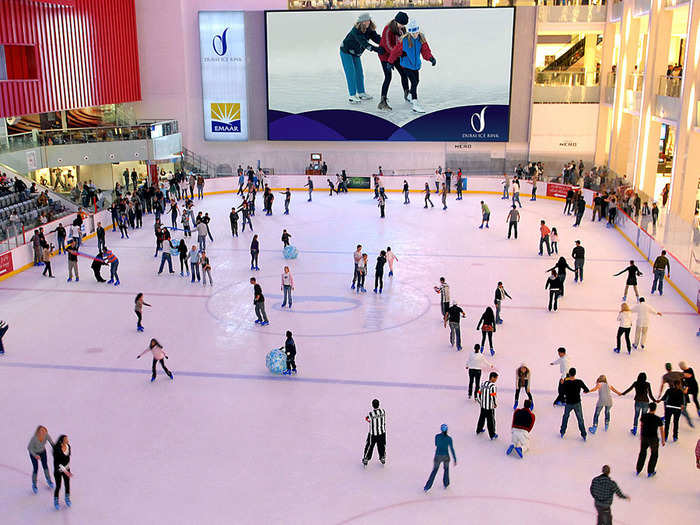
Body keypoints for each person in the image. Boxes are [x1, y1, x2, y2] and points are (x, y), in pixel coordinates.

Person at [387, 18, 436, 114]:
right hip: (406, 64)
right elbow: (395, 52)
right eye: (413, 33)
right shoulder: (404, 40)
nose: (415, 34)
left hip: (415, 65)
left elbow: (425, 51)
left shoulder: (421, 38)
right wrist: (390, 62)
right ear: (409, 32)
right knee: (414, 82)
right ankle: (415, 103)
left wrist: (431, 58)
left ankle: (409, 95)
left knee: (417, 81)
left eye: (416, 32)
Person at [340, 13, 383, 104]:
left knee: (359, 73)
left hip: (356, 53)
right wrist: (377, 49)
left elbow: (376, 38)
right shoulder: (356, 30)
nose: (368, 22)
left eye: (368, 20)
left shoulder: (369, 29)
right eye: (365, 21)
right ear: (361, 22)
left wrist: (384, 43)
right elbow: (364, 44)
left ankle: (361, 93)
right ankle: (352, 95)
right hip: (346, 51)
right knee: (351, 72)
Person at [377, 12, 408, 110]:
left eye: (404, 25)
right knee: (388, 76)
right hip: (385, 56)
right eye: (401, 24)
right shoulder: (388, 29)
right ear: (396, 21)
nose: (403, 26)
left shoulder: (402, 29)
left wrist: (404, 52)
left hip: (395, 55)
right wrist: (398, 54)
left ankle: (407, 93)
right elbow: (388, 46)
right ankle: (382, 101)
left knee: (404, 73)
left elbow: (404, 42)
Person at [423, 424, 456, 491]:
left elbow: (436, 444)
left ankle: (427, 486)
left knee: (434, 470)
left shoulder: (437, 436)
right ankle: (446, 483)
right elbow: (451, 449)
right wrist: (454, 458)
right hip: (446, 456)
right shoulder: (449, 439)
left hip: (438, 455)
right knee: (446, 469)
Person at [559, 368, 590, 441]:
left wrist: (562, 383)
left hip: (568, 403)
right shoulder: (579, 382)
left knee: (565, 417)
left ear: (569, 374)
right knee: (580, 419)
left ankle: (562, 432)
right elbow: (586, 390)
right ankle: (584, 434)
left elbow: (561, 392)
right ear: (575, 374)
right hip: (577, 403)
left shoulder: (566, 383)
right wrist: (585, 391)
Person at [636, 402, 665, 477]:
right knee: (654, 454)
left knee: (642, 452)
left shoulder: (644, 416)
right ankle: (650, 471)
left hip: (644, 437)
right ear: (655, 409)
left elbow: (641, 426)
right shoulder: (657, 419)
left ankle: (638, 469)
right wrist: (663, 440)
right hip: (653, 439)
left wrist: (641, 435)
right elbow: (661, 430)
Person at [28, 425, 54, 494]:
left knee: (45, 466)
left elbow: (51, 442)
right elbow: (29, 448)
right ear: (38, 431)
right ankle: (34, 484)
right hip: (34, 453)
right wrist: (35, 455)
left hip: (42, 452)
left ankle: (49, 480)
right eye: (41, 431)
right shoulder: (34, 438)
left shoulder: (46, 435)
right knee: (35, 468)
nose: (43, 432)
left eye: (44, 431)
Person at [362, 399, 386, 466]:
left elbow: (367, 419)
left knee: (369, 446)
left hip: (373, 434)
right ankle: (382, 457)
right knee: (382, 445)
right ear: (379, 404)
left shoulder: (371, 414)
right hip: (382, 432)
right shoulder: (383, 411)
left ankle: (366, 458)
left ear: (372, 405)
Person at [476, 372, 499, 440]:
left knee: (481, 418)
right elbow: (493, 396)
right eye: (496, 378)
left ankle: (479, 430)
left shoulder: (483, 384)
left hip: (483, 406)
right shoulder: (493, 386)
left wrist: (480, 402)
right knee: (490, 421)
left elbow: (478, 393)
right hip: (489, 407)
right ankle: (492, 435)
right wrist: (494, 404)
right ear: (492, 377)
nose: (496, 380)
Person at [52, 435, 73, 510]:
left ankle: (67, 498)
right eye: (66, 439)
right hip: (58, 470)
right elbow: (57, 463)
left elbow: (68, 458)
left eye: (67, 438)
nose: (67, 440)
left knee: (67, 484)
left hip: (67, 468)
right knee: (58, 486)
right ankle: (56, 500)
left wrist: (67, 469)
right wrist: (65, 471)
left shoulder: (68, 447)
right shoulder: (57, 449)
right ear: (61, 441)